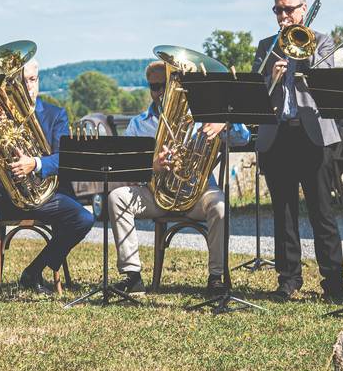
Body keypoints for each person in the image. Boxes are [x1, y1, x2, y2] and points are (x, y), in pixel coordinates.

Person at [106, 61, 250, 296]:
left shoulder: (205, 115)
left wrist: (224, 120)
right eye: (154, 87)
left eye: (166, 85)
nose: (160, 92)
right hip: (156, 194)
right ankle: (132, 276)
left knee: (220, 205)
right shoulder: (139, 124)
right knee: (116, 198)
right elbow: (124, 168)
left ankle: (216, 277)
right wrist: (153, 165)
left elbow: (242, 137)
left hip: (198, 193)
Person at [0, 59, 94, 297]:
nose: (28, 86)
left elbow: (64, 159)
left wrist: (36, 164)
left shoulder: (55, 114)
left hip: (42, 197)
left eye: (32, 80)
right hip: (1, 198)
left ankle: (35, 271)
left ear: (38, 81)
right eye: (21, 81)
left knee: (83, 218)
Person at [252, 0, 343, 301]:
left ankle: (333, 282)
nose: (283, 16)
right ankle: (288, 278)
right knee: (284, 212)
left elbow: (326, 80)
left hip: (313, 136)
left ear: (303, 9)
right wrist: (272, 79)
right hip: (278, 135)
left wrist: (301, 55)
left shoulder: (322, 40)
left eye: (289, 9)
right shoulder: (267, 47)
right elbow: (255, 94)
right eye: (278, 10)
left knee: (322, 210)